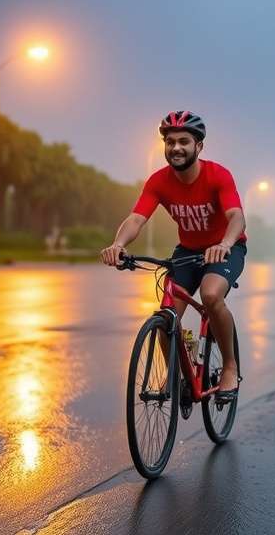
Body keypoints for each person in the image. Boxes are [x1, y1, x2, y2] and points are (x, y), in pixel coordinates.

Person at [101, 111, 247, 402]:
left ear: (199, 146)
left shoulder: (218, 175)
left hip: (225, 248)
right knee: (166, 316)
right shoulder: (159, 181)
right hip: (188, 253)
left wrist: (225, 243)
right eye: (170, 142)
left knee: (210, 295)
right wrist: (118, 244)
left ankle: (230, 367)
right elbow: (136, 219)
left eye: (184, 141)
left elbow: (237, 217)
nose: (176, 147)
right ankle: (178, 374)